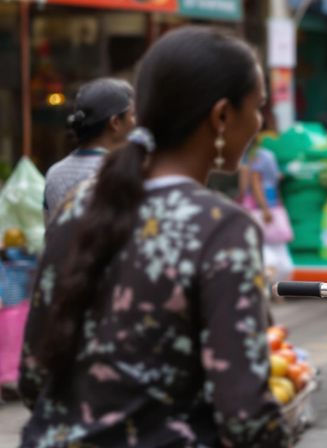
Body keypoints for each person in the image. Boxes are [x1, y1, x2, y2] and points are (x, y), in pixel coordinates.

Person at [19, 27, 289, 446]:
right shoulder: (221, 226)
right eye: (258, 108)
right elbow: (245, 415)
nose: (259, 123)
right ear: (221, 116)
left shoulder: (75, 205)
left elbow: (34, 375)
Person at [43, 78, 136, 220]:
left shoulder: (54, 174)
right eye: (133, 114)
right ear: (115, 123)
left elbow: (50, 232)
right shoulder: (121, 172)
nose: (137, 121)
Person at [240, 141, 294, 289]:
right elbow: (255, 184)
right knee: (273, 252)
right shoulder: (263, 156)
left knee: (264, 249)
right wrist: (265, 208)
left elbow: (246, 187)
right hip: (266, 209)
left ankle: (272, 288)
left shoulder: (250, 158)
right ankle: (277, 289)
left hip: (259, 209)